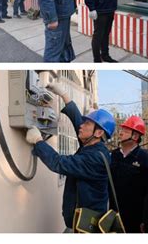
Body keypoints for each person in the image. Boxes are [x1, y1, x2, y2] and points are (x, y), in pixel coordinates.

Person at [24, 82, 116, 231]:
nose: (82, 125)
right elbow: (77, 120)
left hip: (87, 226)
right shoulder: (92, 145)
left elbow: (58, 163)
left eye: (87, 124)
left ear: (98, 133)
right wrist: (63, 95)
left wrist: (38, 141)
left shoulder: (95, 158)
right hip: (82, 220)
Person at [110, 115, 148, 233]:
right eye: (121, 130)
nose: (120, 133)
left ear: (135, 136)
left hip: (135, 218)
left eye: (125, 131)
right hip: (112, 214)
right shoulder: (113, 156)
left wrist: (145, 219)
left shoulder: (145, 159)